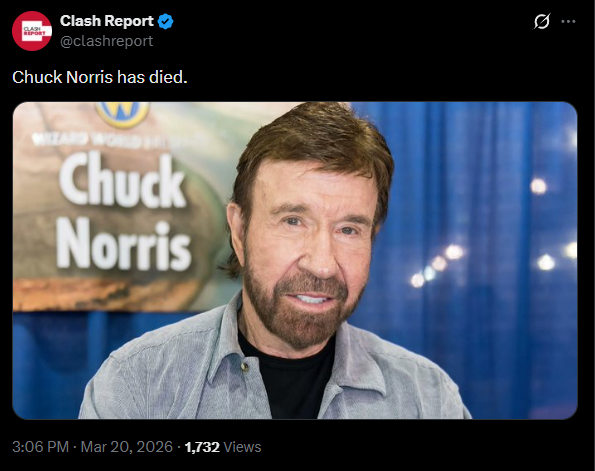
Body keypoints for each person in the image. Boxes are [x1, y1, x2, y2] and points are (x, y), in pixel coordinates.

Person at [79, 102, 471, 419]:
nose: (322, 264)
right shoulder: (139, 384)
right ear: (239, 231)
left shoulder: (427, 399)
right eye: (293, 221)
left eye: (348, 229)